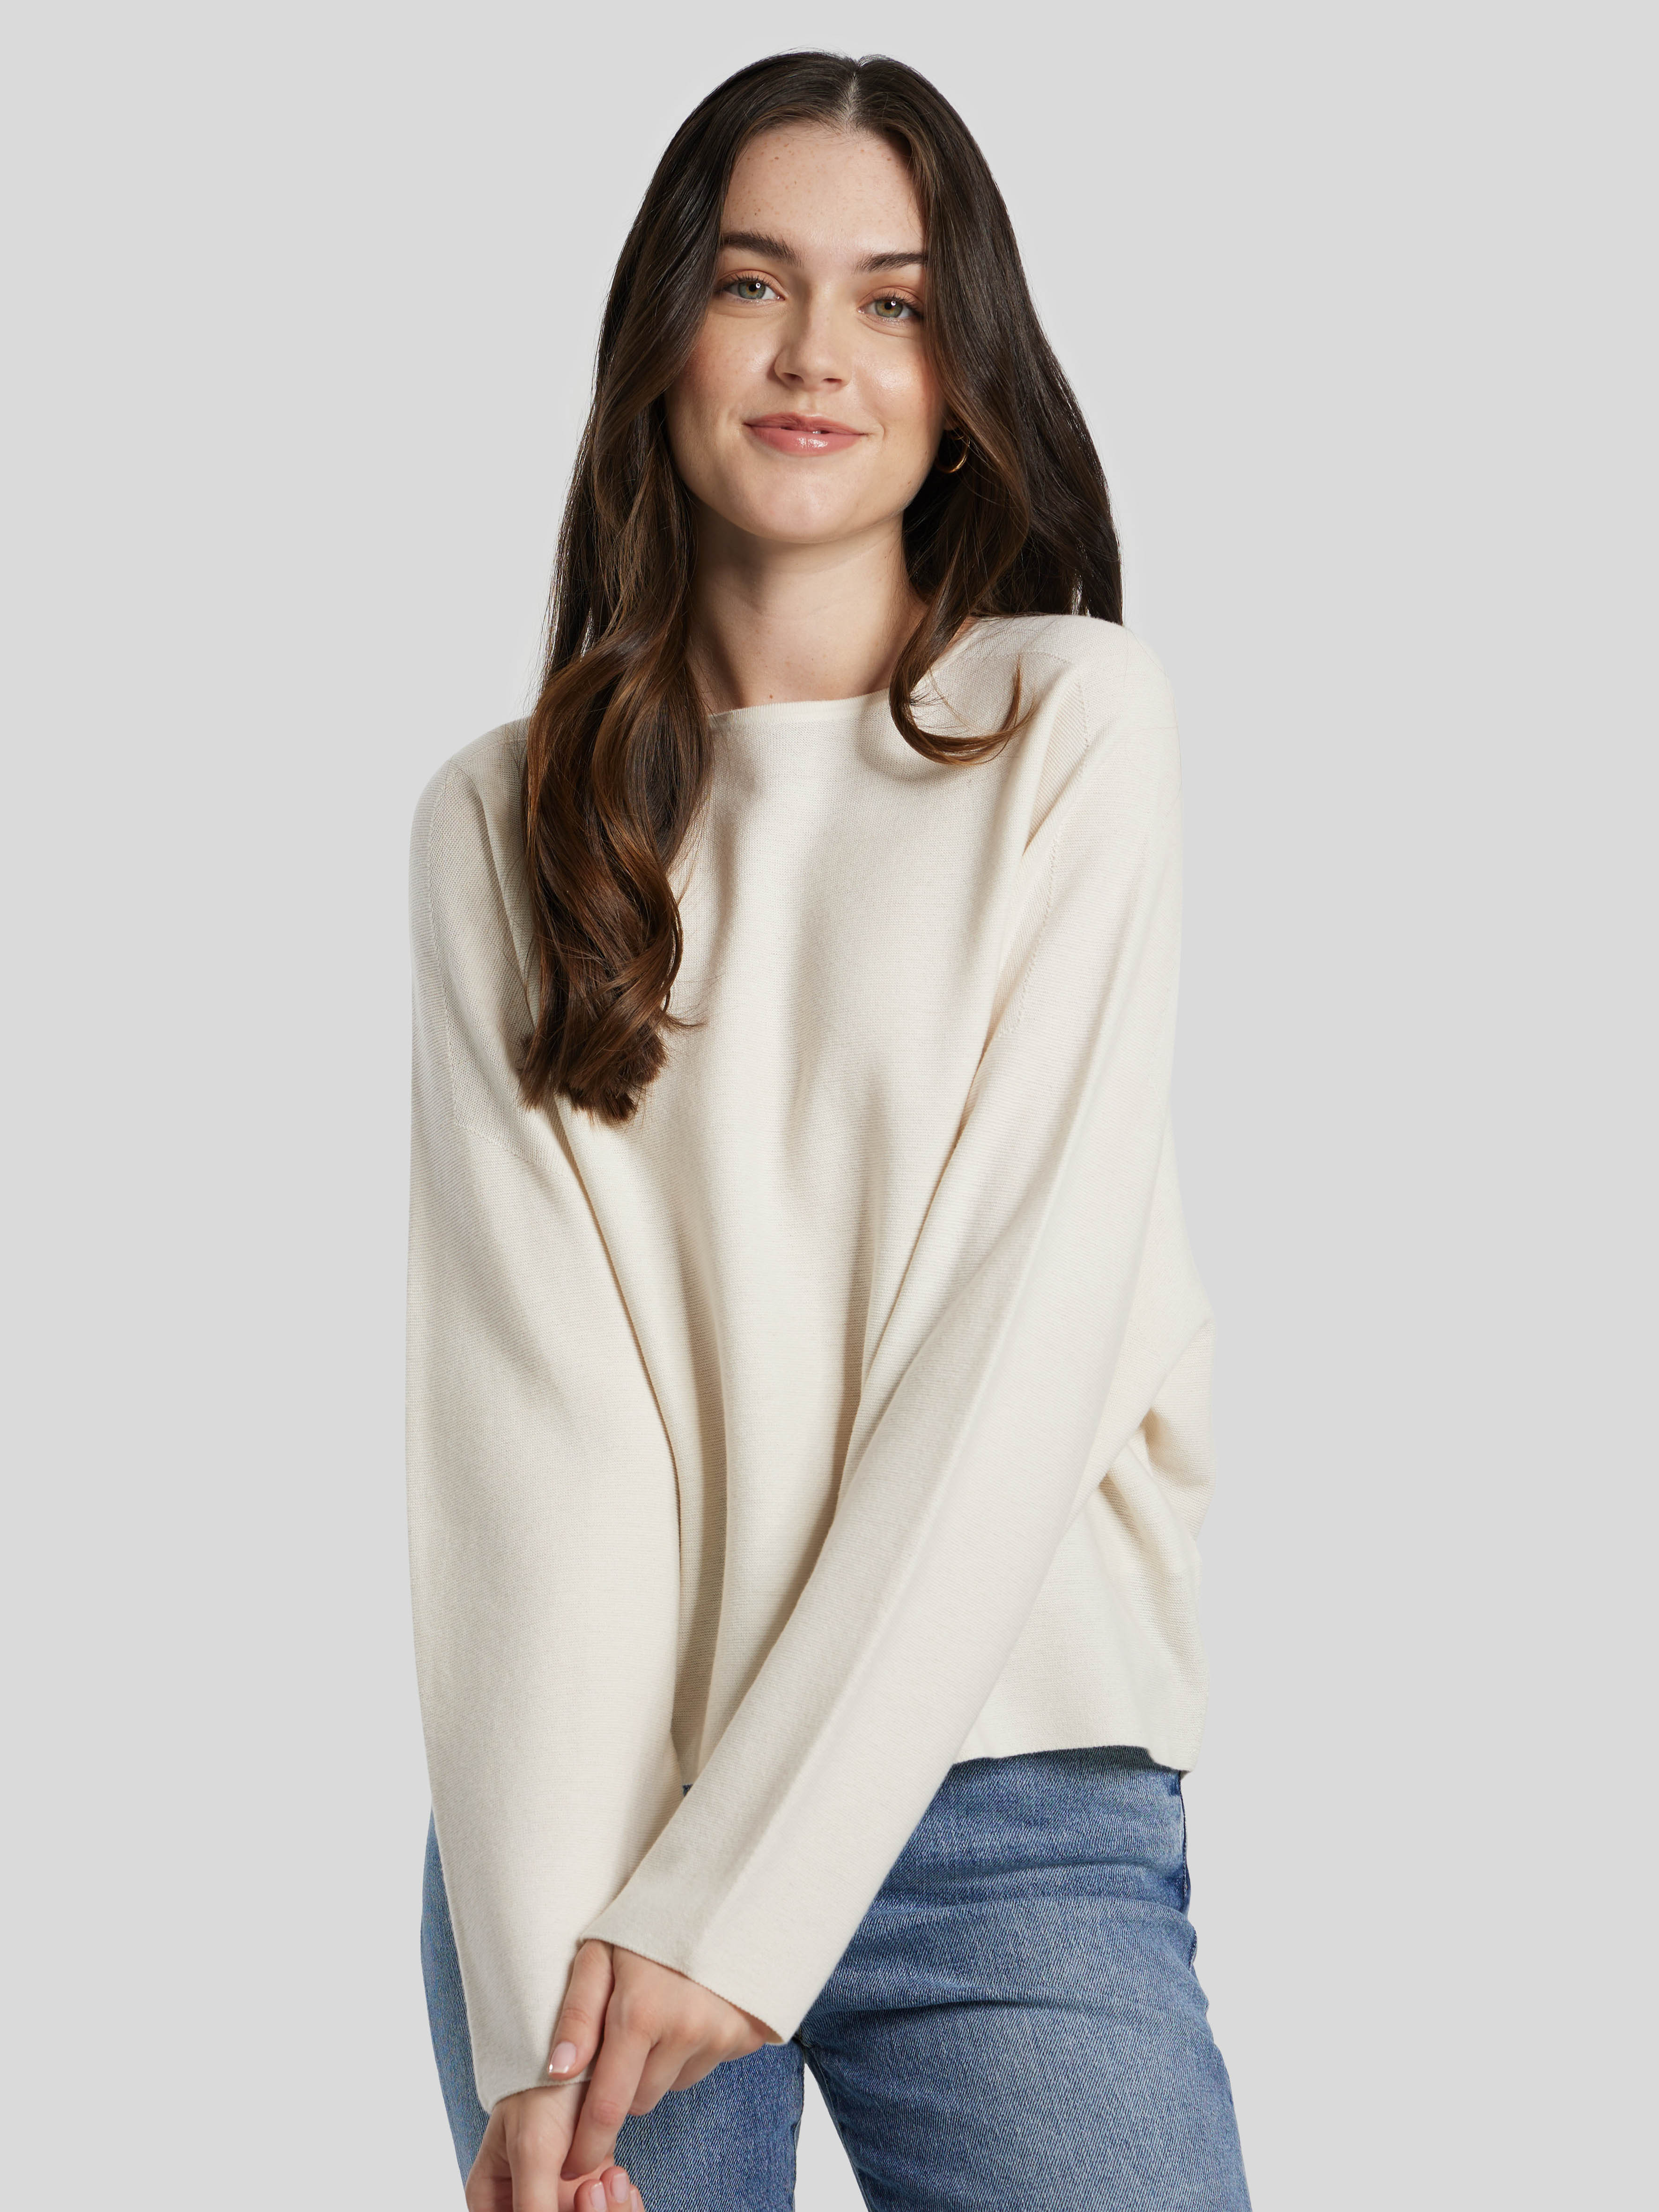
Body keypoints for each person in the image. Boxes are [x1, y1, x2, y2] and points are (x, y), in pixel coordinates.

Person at [406, 47, 1252, 2212]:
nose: (815, 354)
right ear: (662, 335)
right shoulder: (504, 822)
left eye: (892, 301)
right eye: (753, 282)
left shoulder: (1065, 726)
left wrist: (750, 1900)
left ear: (964, 377)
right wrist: (539, 2007)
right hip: (598, 1831)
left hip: (1006, 1798)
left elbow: (1020, 1333)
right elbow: (532, 1427)